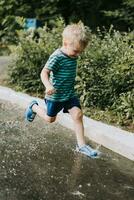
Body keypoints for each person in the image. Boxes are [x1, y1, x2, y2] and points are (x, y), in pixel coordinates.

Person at [25, 22, 100, 158]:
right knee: (50, 119)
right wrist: (48, 86)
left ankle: (81, 145)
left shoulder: (73, 54)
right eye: (76, 51)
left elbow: (72, 58)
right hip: (56, 96)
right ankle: (34, 107)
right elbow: (44, 73)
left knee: (78, 115)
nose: (77, 54)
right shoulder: (57, 57)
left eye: (80, 52)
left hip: (69, 94)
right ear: (65, 43)